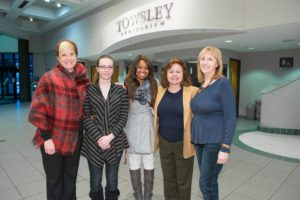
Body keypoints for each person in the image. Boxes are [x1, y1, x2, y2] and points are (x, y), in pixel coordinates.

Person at [28, 39, 90, 200]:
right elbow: (39, 110)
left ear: (76, 55)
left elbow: (92, 98)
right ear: (58, 58)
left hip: (75, 137)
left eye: (72, 54)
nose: (68, 58)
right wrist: (47, 138)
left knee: (70, 181)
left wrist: (114, 87)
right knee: (55, 182)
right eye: (64, 54)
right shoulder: (48, 78)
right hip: (52, 138)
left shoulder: (82, 77)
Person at [190, 46, 236, 200]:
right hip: (199, 141)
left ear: (217, 63)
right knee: (210, 182)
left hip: (214, 142)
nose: (205, 62)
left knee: (205, 183)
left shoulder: (222, 84)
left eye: (210, 59)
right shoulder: (202, 85)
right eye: (202, 59)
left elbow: (230, 117)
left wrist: (226, 148)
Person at [81, 55, 129, 200]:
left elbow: (123, 116)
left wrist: (110, 137)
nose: (106, 70)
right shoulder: (89, 90)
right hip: (93, 142)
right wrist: (99, 138)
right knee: (95, 181)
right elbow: (85, 116)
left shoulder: (121, 90)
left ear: (113, 69)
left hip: (115, 141)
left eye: (109, 67)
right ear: (97, 68)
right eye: (103, 66)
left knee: (112, 180)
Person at [153, 58, 198, 200]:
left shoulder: (193, 92)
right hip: (164, 142)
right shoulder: (160, 91)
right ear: (165, 74)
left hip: (183, 142)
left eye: (178, 71)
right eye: (171, 71)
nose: (174, 74)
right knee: (168, 179)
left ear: (183, 74)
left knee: (183, 181)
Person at [124, 55, 158, 200]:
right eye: (140, 67)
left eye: (146, 67)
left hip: (148, 124)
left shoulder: (154, 83)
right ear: (134, 68)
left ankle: (147, 196)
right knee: (134, 160)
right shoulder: (126, 83)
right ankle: (138, 196)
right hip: (132, 124)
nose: (143, 70)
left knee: (149, 159)